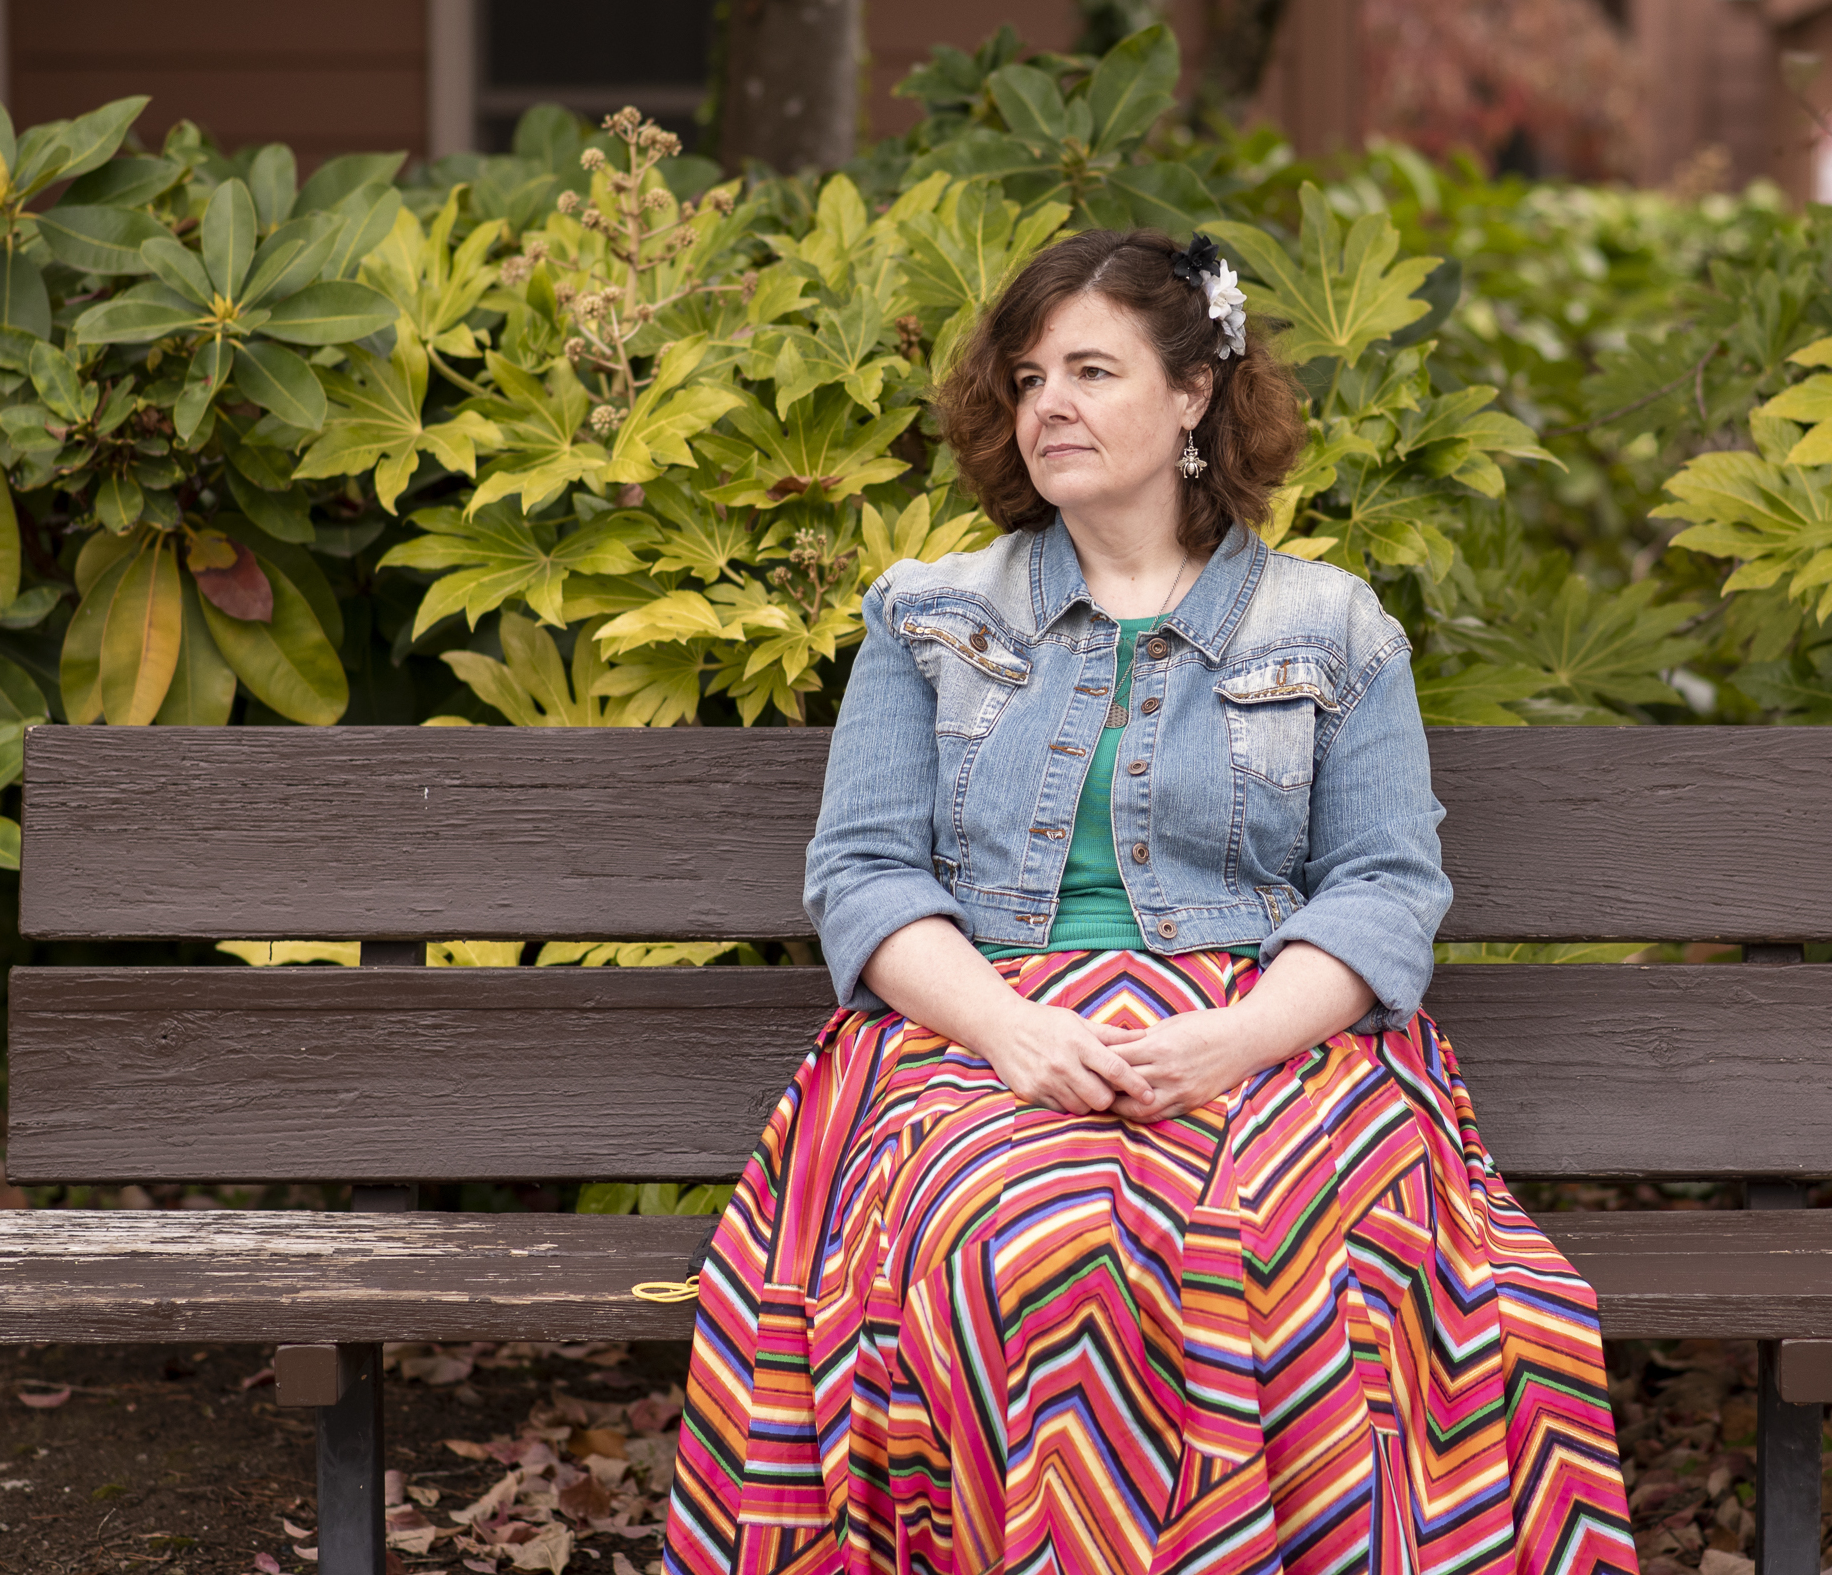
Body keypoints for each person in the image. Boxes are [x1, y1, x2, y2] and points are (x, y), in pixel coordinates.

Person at [661, 229, 1637, 1575]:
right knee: (1034, 1237)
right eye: (1026, 376)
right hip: (979, 1032)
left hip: (1272, 1037)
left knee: (1295, 1233)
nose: (1046, 404)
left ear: (1193, 393)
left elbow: (1385, 887)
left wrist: (1231, 1044)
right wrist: (1011, 1033)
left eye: (1090, 369)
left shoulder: (1336, 627)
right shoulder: (929, 617)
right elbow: (864, 872)